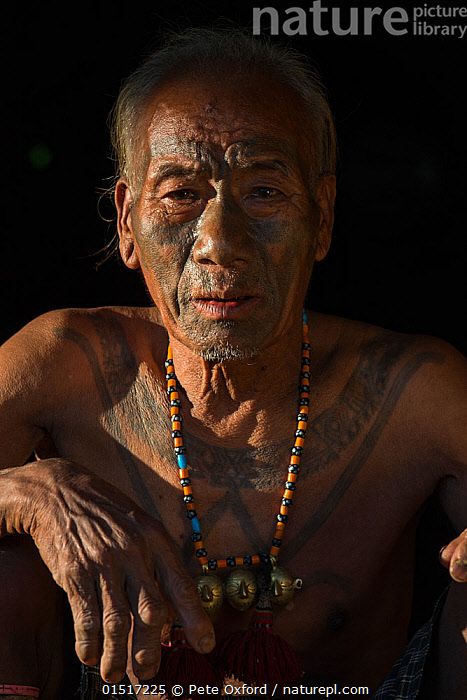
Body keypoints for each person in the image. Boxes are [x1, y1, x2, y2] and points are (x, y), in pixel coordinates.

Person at [0, 27, 465, 700]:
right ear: (127, 224)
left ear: (323, 216)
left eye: (264, 193)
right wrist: (33, 496)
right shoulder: (63, 363)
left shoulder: (410, 388)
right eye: (182, 194)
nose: (220, 243)